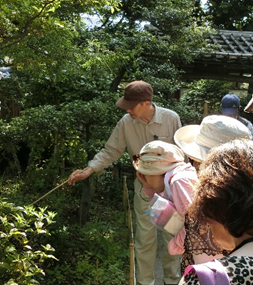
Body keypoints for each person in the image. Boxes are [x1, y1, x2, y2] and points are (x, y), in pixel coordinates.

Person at [68, 80, 182, 285]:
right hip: (145, 188)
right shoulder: (126, 123)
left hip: (170, 190)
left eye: (132, 105)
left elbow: (182, 156)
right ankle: (145, 282)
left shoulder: (170, 118)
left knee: (172, 235)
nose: (128, 109)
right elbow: (111, 150)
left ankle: (172, 281)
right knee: (145, 238)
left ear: (146, 103)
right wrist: (90, 169)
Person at [173, 115, 251, 271]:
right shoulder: (246, 195)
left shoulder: (211, 204)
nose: (194, 166)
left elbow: (208, 270)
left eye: (196, 161)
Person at [133, 140, 198, 269]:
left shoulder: (179, 182)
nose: (145, 179)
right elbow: (167, 208)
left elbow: (193, 222)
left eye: (146, 175)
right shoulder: (173, 179)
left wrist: (177, 244)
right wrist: (149, 188)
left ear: (156, 172)